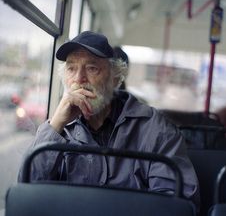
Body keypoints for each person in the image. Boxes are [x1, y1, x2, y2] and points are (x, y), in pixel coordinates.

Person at [18, 31, 199, 207]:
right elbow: (27, 192)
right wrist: (55, 125)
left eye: (92, 68)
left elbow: (177, 205)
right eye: (71, 68)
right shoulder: (58, 128)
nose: (79, 79)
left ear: (115, 78)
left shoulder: (154, 127)